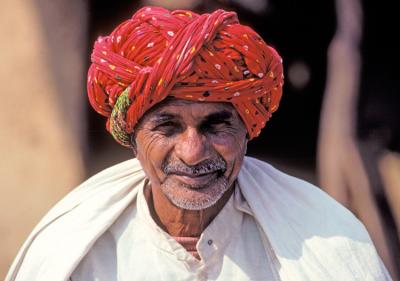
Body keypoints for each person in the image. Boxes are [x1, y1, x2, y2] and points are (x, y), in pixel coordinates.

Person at [6, 6, 391, 281]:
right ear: (132, 136)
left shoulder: (329, 242)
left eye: (216, 125)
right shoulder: (73, 254)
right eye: (168, 126)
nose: (193, 152)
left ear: (247, 129)